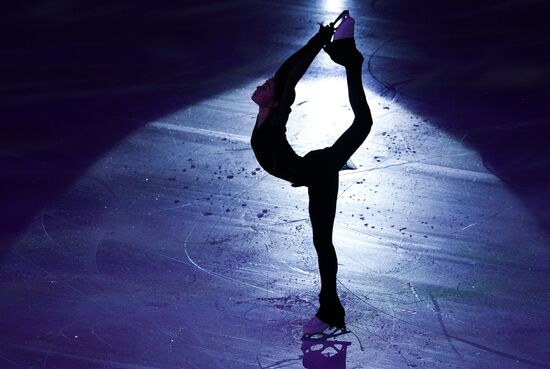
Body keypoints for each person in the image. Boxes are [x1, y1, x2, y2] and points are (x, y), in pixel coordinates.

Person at [250, 12, 373, 335]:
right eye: (265, 85)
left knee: (323, 242)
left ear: (275, 103)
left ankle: (329, 308)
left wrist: (320, 42)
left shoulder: (273, 119)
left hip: (317, 172)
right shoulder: (268, 115)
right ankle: (349, 58)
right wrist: (317, 40)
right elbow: (284, 73)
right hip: (313, 167)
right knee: (322, 241)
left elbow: (288, 78)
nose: (262, 84)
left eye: (266, 87)